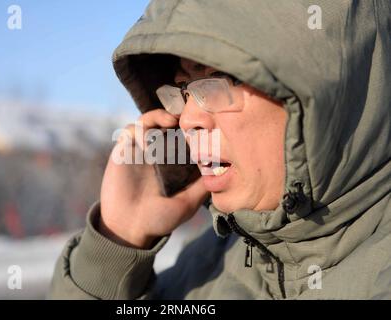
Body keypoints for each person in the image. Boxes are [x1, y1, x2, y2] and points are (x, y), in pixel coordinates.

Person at [49, 0, 391, 299]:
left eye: (215, 81)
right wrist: (116, 244)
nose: (187, 120)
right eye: (182, 91)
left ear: (324, 87)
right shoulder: (209, 264)